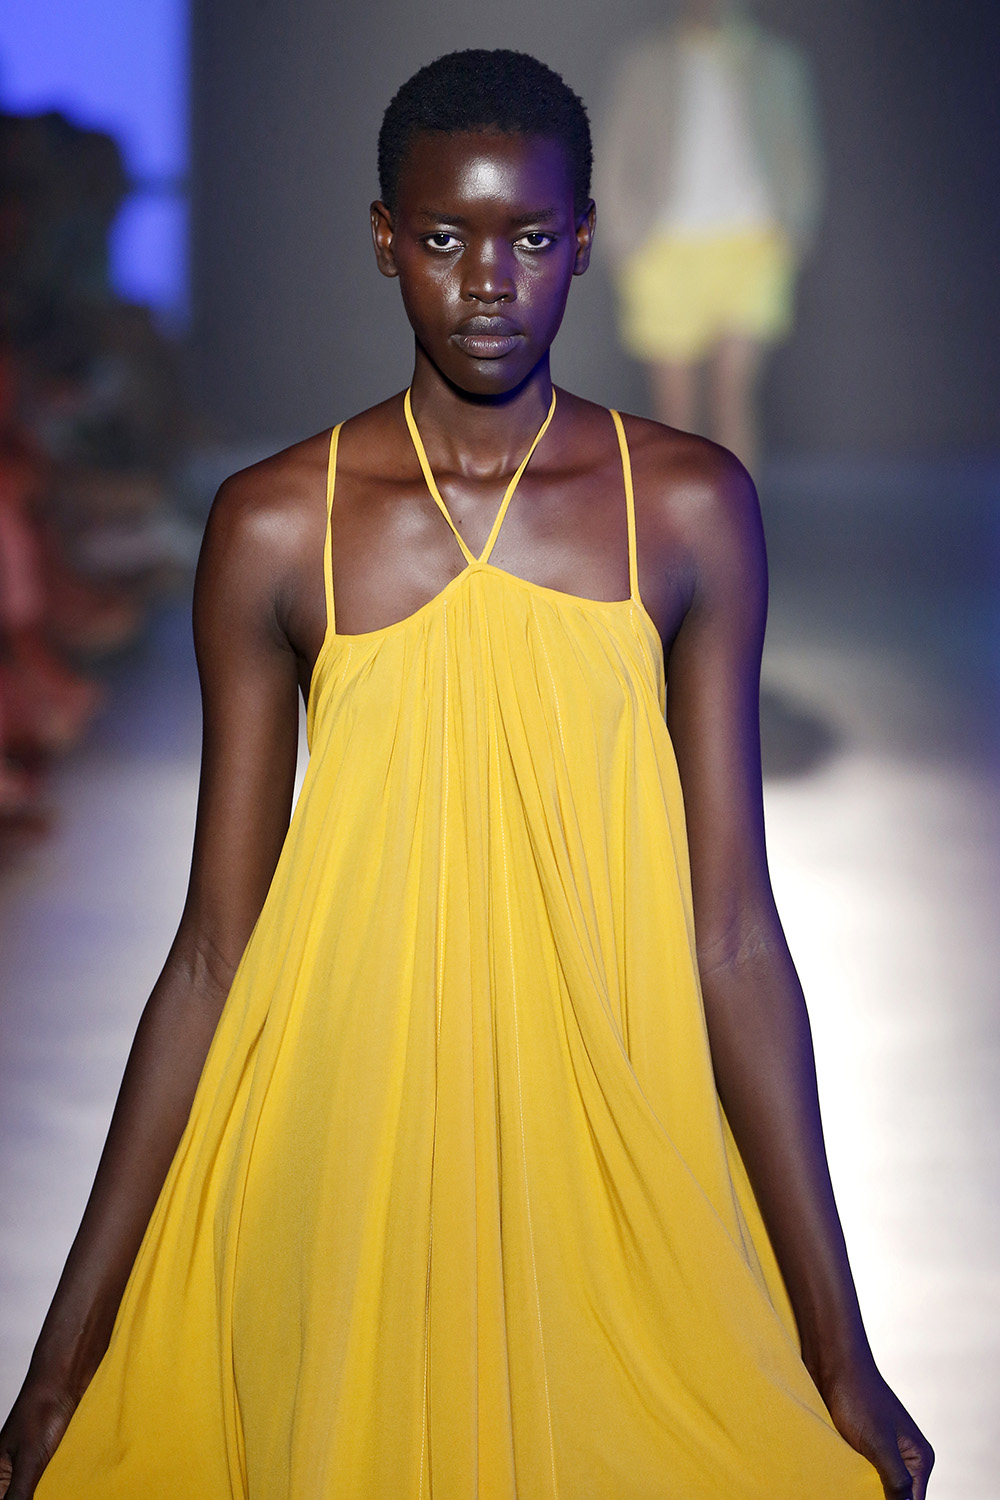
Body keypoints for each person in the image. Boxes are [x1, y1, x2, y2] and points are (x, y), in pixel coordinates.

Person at [0, 49, 932, 1500]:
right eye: (444, 237)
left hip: (608, 1156)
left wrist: (839, 1349)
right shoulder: (275, 525)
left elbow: (735, 935)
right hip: (346, 1150)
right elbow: (214, 952)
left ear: (586, 242)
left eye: (530, 238)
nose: (488, 282)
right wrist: (62, 1364)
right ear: (385, 240)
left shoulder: (687, 507)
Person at [596, 0, 823, 472]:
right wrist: (618, 231)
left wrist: (796, 226)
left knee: (733, 395)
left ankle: (736, 517)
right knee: (674, 408)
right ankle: (678, 518)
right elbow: (617, 147)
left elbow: (797, 150)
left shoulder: (776, 63)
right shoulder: (646, 63)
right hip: (665, 246)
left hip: (752, 243)